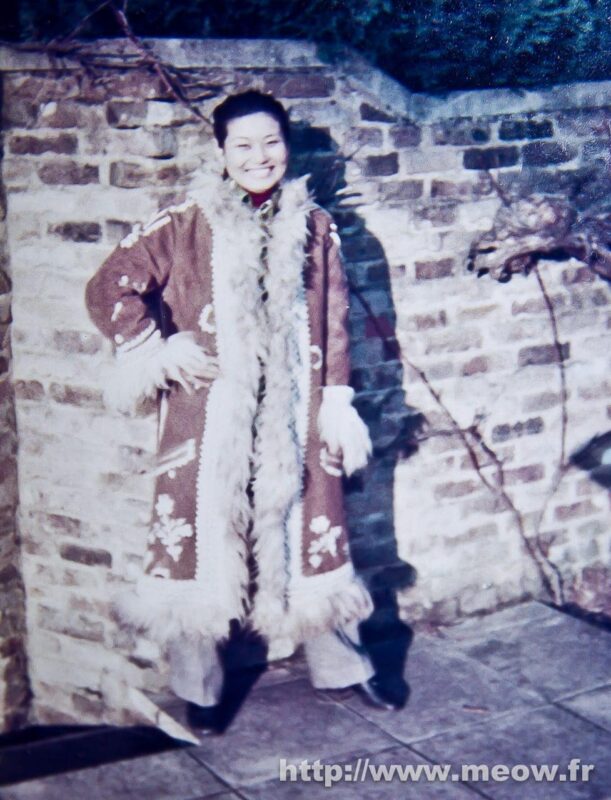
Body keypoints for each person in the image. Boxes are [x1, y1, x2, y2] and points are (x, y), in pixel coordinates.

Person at [86, 90, 398, 733]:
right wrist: (159, 348)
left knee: (316, 540)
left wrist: (336, 402)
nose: (259, 157)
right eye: (243, 145)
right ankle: (197, 689)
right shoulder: (183, 224)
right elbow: (107, 287)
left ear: (287, 146)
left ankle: (342, 668)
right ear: (222, 152)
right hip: (207, 417)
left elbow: (335, 325)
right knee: (193, 550)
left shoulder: (316, 228)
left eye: (271, 143)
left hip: (296, 415)